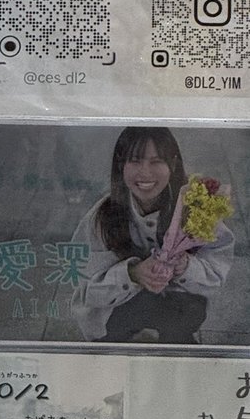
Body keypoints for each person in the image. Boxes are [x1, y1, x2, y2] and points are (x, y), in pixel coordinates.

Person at [70, 126, 233, 343]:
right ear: (121, 165)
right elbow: (85, 287)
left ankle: (176, 340)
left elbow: (216, 271)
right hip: (119, 310)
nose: (145, 172)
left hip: (175, 305)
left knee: (189, 310)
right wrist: (132, 274)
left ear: (173, 164)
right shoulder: (102, 217)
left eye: (156, 162)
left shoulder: (196, 208)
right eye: (135, 161)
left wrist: (185, 267)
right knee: (127, 321)